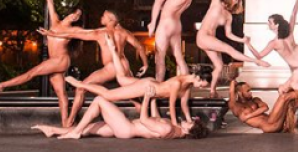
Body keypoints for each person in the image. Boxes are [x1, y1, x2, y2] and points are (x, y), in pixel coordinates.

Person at [38, 9, 149, 127]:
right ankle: (148, 120)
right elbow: (140, 47)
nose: (101, 17)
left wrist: (52, 34)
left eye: (104, 16)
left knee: (81, 88)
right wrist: (145, 64)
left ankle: (69, 121)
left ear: (111, 19)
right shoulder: (124, 32)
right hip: (124, 65)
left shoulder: (101, 32)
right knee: (134, 96)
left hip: (111, 67)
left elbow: (76, 34)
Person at [0, 0, 80, 125]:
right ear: (70, 12)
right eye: (75, 13)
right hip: (56, 61)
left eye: (78, 16)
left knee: (31, 74)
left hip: (60, 60)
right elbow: (50, 2)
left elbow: (60, 34)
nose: (75, 16)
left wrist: (50, 34)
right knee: (61, 93)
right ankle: (66, 123)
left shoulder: (73, 30)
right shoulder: (55, 20)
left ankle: (0, 86)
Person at [67, 34, 207, 126]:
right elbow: (172, 105)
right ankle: (79, 84)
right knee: (109, 95)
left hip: (151, 83)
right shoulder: (178, 83)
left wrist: (190, 122)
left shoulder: (187, 83)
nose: (201, 87)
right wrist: (175, 124)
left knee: (121, 78)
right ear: (198, 78)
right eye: (202, 84)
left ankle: (113, 49)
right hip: (147, 87)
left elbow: (184, 106)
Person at [195, 0, 269, 97]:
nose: (236, 3)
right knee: (227, 49)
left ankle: (212, 91)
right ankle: (256, 61)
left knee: (219, 66)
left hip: (210, 40)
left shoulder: (228, 16)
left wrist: (243, 40)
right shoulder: (216, 1)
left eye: (238, 1)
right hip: (203, 36)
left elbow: (229, 35)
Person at [34, 87, 208, 140]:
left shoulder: (168, 130)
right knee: (90, 128)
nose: (187, 120)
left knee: (99, 100)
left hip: (126, 129)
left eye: (189, 123)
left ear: (188, 131)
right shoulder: (172, 127)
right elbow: (153, 118)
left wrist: (147, 97)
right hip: (126, 127)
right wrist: (153, 99)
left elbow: (145, 119)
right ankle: (54, 130)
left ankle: (75, 132)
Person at [142, 0, 204, 81]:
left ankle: (159, 86)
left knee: (159, 58)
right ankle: (186, 83)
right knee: (178, 57)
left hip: (166, 23)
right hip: (176, 24)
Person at [227, 79, 298, 132]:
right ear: (240, 93)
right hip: (269, 127)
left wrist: (248, 116)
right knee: (284, 97)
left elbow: (265, 107)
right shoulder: (236, 106)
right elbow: (231, 94)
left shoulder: (255, 100)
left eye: (251, 90)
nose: (251, 93)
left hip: (274, 121)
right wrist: (232, 81)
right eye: (248, 91)